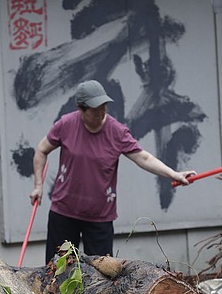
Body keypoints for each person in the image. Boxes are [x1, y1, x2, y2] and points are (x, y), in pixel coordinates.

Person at [30, 79, 197, 264]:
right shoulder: (66, 124)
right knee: (58, 270)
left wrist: (174, 174)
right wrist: (38, 186)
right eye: (95, 108)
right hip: (64, 211)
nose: (101, 112)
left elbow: (143, 158)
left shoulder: (116, 131)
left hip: (100, 216)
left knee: (102, 274)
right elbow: (41, 150)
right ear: (81, 108)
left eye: (104, 106)